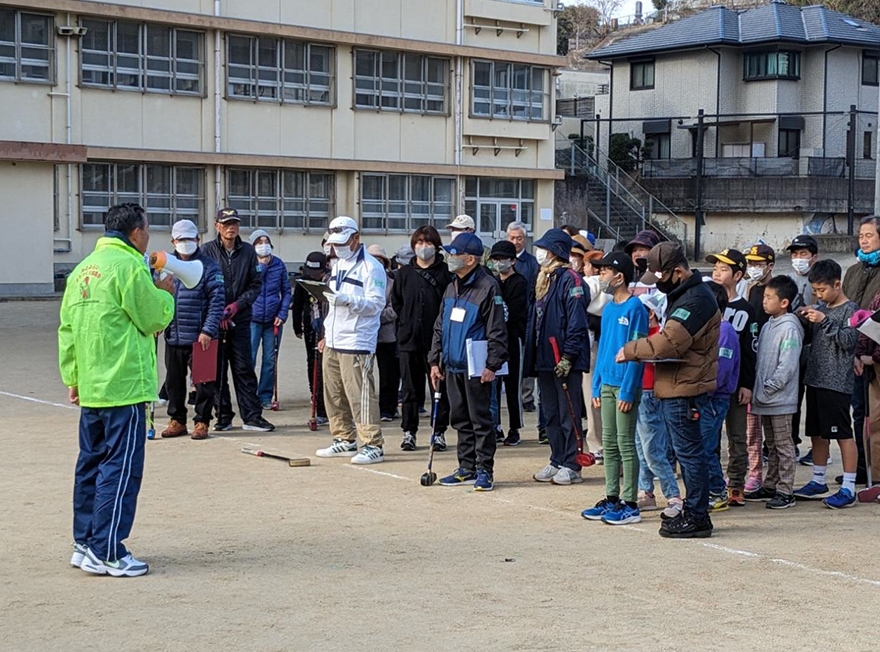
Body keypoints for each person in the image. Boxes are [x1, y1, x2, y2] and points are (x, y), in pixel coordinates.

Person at [59, 203, 175, 577]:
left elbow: (67, 331)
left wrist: (73, 378)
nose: (148, 238)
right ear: (136, 232)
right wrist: (166, 293)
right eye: (147, 230)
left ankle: (86, 542)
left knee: (90, 465)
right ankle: (108, 550)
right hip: (123, 385)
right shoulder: (128, 267)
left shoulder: (81, 271)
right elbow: (153, 316)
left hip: (93, 385)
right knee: (120, 469)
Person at [619, 242, 721, 539]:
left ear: (677, 272)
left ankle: (698, 515)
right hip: (678, 383)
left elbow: (668, 343)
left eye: (661, 277)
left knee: (690, 454)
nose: (658, 284)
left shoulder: (696, 301)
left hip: (685, 388)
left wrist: (630, 349)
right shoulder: (686, 294)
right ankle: (694, 510)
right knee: (687, 452)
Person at [429, 233, 508, 492]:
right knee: (460, 418)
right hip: (452, 364)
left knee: (480, 419)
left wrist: (492, 364)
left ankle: (485, 469)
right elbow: (440, 326)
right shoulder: (451, 285)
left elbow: (497, 329)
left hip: (476, 366)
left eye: (454, 254)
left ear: (470, 259)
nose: (449, 258)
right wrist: (435, 360)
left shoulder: (488, 286)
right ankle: (466, 466)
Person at [581, 252, 648, 525]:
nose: (601, 276)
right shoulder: (608, 308)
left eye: (606, 271)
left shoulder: (636, 309)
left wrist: (629, 390)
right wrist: (596, 386)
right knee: (608, 444)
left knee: (625, 443)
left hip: (624, 387)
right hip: (606, 383)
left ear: (620, 276)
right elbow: (605, 349)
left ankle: (630, 503)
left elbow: (638, 352)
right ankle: (611, 498)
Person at [314, 216, 387, 464]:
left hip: (357, 340)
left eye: (343, 242)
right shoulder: (338, 265)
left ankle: (372, 443)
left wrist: (348, 300)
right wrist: (325, 334)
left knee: (360, 394)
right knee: (333, 392)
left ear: (356, 238)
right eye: (335, 243)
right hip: (334, 338)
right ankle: (344, 438)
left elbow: (377, 304)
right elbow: (333, 306)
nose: (338, 248)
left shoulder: (372, 267)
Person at [792, 260, 859, 508]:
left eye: (822, 290)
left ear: (837, 284)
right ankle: (818, 480)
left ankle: (849, 487)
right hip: (816, 380)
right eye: (815, 290)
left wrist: (824, 320)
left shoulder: (850, 310)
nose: (818, 294)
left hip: (837, 383)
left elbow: (848, 340)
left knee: (842, 433)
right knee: (818, 434)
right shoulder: (821, 308)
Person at [201, 208, 275, 432]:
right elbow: (202, 285)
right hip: (215, 321)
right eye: (226, 224)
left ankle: (252, 416)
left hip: (241, 319)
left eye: (234, 223)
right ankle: (223, 416)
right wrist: (218, 311)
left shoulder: (248, 252)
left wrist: (237, 305)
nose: (231, 228)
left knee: (244, 368)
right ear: (217, 226)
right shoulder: (206, 251)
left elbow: (255, 285)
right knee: (217, 370)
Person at [527, 229, 590, 485]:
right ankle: (556, 458)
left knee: (569, 412)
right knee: (550, 411)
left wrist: (568, 355)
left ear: (554, 251)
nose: (540, 253)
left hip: (564, 357)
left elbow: (576, 323)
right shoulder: (543, 278)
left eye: (544, 248)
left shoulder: (571, 280)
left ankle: (572, 463)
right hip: (544, 356)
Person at [160, 219, 224, 440]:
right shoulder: (165, 265)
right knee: (174, 381)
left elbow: (217, 301)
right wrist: (158, 324)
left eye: (190, 239)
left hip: (201, 336)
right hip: (174, 335)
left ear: (198, 240)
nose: (185, 244)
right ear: (173, 241)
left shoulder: (209, 266)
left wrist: (207, 330)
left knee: (204, 382)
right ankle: (177, 419)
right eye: (180, 240)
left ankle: (202, 421)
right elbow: (157, 297)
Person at [745, 275, 803, 510]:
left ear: (784, 302)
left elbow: (787, 365)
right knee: (772, 444)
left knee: (783, 444)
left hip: (779, 398)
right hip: (765, 399)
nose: (764, 301)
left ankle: (786, 489)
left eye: (770, 297)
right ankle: (771, 483)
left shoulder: (789, 328)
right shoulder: (769, 325)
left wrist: (770, 387)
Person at [392, 225, 453, 451]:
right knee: (409, 388)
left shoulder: (446, 273)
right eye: (419, 243)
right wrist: (406, 322)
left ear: (436, 247)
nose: (423, 247)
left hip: (436, 342)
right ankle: (409, 432)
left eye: (428, 243)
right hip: (408, 340)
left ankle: (439, 432)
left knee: (439, 388)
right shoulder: (404, 274)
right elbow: (397, 302)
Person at [708, 248, 757, 507]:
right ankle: (712, 482)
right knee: (710, 437)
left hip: (735, 386)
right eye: (715, 267)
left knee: (738, 437)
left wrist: (747, 384)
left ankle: (736, 484)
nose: (717, 271)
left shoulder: (746, 310)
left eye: (724, 268)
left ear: (738, 275)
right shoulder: (706, 304)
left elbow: (750, 351)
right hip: (709, 386)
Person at [634, 293, 683, 519]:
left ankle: (673, 496)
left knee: (652, 450)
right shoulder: (640, 335)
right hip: (637, 394)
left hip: (651, 395)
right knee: (640, 447)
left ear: (651, 313)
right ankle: (647, 492)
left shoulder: (659, 336)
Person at [841, 215, 880, 485]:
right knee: (857, 411)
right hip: (853, 351)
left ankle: (875, 467)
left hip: (875, 354)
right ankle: (862, 467)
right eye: (861, 236)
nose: (864, 240)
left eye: (869, 235)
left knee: (874, 414)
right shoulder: (854, 270)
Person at [702, 281, 741, 513]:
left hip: (715, 398)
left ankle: (717, 491)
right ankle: (708, 490)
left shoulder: (725, 331)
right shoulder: (709, 329)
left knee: (707, 447)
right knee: (704, 445)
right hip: (705, 396)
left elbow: (723, 369)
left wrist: (705, 389)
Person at [490, 240, 528, 447]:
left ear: (512, 261)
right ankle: (495, 425)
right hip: (496, 340)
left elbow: (513, 313)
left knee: (513, 385)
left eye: (502, 259)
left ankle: (515, 427)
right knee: (493, 385)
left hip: (513, 338)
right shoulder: (494, 282)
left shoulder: (519, 282)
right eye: (495, 260)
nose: (498, 264)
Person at [743, 243, 775, 490]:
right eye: (750, 263)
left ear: (770, 265)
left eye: (758, 264)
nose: (753, 268)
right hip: (752, 360)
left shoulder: (775, 290)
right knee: (749, 429)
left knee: (774, 432)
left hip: (771, 362)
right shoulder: (751, 289)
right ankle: (752, 473)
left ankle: (773, 477)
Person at [248, 229, 292, 409]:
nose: (263, 245)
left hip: (273, 320)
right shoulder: (249, 263)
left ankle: (265, 395)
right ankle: (249, 394)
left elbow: (287, 291)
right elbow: (251, 283)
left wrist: (282, 314)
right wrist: (263, 266)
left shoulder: (279, 265)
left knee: (269, 359)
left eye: (266, 241)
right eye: (259, 242)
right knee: (249, 357)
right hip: (252, 319)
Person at [291, 251, 329, 426]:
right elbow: (297, 305)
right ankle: (317, 399)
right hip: (310, 327)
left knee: (327, 367)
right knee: (312, 363)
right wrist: (297, 327)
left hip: (328, 328)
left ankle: (327, 404)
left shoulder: (330, 281)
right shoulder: (303, 282)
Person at [507, 221, 539, 413]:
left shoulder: (532, 263)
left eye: (519, 238)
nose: (516, 242)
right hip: (507, 319)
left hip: (526, 318)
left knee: (527, 358)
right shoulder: (501, 260)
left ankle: (527, 397)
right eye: (512, 238)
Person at [367, 244, 400, 424]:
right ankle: (369, 407)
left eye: (379, 260)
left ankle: (388, 408)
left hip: (386, 335)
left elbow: (393, 309)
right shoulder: (363, 280)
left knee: (388, 374)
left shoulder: (391, 284)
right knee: (364, 373)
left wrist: (373, 314)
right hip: (365, 335)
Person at [582, 247, 609, 461]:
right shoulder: (587, 283)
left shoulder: (611, 284)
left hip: (608, 341)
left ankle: (605, 443)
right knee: (592, 394)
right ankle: (596, 443)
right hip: (590, 340)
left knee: (606, 394)